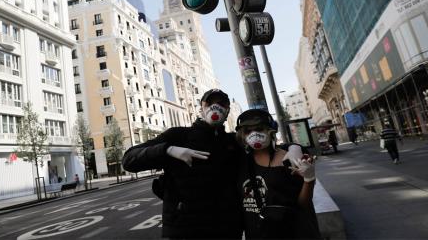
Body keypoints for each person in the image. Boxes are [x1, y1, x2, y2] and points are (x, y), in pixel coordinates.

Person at [122, 89, 303, 239]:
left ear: (227, 111)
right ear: (201, 108)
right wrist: (168, 150)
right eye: (209, 103)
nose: (215, 107)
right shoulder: (177, 136)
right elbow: (129, 160)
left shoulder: (233, 142)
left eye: (222, 104)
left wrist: (294, 148)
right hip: (186, 230)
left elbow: (265, 146)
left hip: (227, 229)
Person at [236, 109, 321, 239]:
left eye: (259, 129)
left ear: (271, 131)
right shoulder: (240, 163)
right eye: (248, 131)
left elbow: (303, 204)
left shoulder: (289, 159)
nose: (254, 135)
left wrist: (309, 179)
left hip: (292, 232)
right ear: (242, 135)